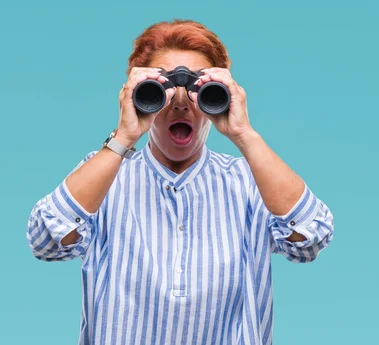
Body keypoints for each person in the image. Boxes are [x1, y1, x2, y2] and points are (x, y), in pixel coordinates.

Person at [26, 19, 334, 345]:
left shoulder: (250, 181)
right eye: (162, 88)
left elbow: (313, 235)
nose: (180, 102)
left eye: (199, 89)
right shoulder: (105, 175)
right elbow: (44, 240)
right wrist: (124, 137)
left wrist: (244, 135)